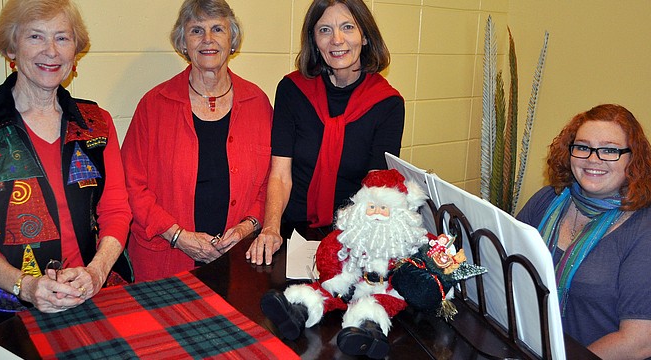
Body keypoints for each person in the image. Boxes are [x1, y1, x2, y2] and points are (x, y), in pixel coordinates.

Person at [0, 0, 132, 327]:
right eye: (35, 37)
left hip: (96, 293)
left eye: (62, 38)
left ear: (75, 51)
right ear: (11, 47)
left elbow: (117, 211)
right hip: (17, 308)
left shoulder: (97, 122)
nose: (51, 51)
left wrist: (95, 273)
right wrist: (28, 286)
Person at [516, 104, 651, 359]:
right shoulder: (547, 200)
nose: (592, 159)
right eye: (583, 147)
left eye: (609, 150)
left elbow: (638, 343)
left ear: (633, 159)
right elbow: (508, 262)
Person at [121, 0, 272, 282]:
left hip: (239, 260)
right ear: (183, 41)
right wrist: (177, 235)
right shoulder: (154, 105)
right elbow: (131, 184)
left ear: (232, 39)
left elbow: (270, 183)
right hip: (165, 261)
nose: (208, 40)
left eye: (218, 29)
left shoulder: (258, 103)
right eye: (196, 31)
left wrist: (246, 227)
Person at [247, 0, 405, 265]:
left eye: (347, 27)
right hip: (291, 233)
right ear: (314, 40)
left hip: (353, 239)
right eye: (325, 30)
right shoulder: (292, 90)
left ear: (365, 36)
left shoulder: (387, 104)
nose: (337, 40)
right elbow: (280, 174)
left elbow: (375, 190)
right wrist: (270, 229)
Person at [260, 169, 428, 359]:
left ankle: (367, 335)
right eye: (371, 207)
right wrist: (333, 278)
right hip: (349, 282)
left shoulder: (409, 241)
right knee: (318, 293)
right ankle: (295, 313)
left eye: (384, 208)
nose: (377, 214)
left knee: (373, 307)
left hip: (384, 290)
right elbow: (328, 251)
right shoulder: (350, 234)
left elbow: (431, 264)